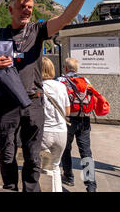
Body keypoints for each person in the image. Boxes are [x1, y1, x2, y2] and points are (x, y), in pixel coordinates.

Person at [0, 0, 99, 192]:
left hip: (33, 101)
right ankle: (10, 187)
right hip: (6, 105)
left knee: (33, 157)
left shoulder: (37, 31)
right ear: (10, 9)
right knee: (6, 155)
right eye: (23, 7)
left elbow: (65, 18)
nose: (27, 11)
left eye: (30, 7)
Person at [57, 58, 98, 192]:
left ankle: (68, 177)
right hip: (84, 120)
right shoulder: (86, 81)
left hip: (68, 119)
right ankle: (91, 185)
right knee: (86, 152)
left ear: (65, 68)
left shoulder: (61, 81)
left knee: (66, 148)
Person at [41, 57, 70, 192]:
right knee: (56, 167)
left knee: (45, 168)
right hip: (61, 131)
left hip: (44, 132)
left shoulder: (38, 86)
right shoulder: (61, 85)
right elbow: (67, 110)